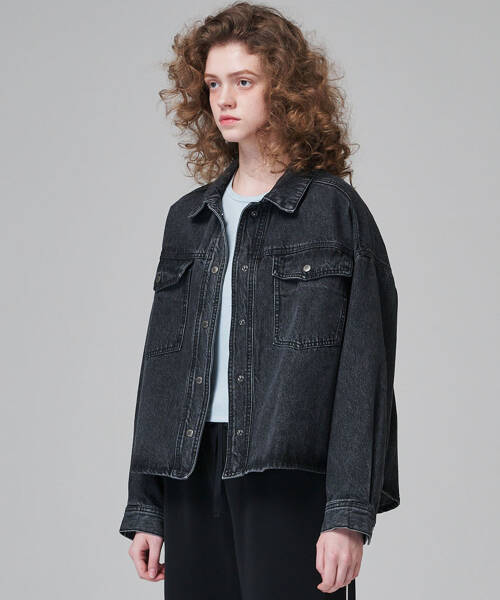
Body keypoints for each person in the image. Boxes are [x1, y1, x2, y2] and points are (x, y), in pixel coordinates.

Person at [118, 3, 400, 599]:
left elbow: (365, 371)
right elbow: (161, 367)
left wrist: (347, 513)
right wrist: (146, 504)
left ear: (287, 88)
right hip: (191, 471)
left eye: (244, 82)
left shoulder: (332, 210)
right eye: (213, 84)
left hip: (290, 473)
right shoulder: (188, 219)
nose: (224, 99)